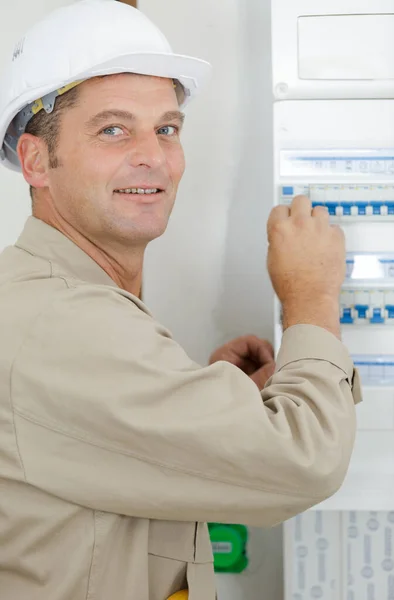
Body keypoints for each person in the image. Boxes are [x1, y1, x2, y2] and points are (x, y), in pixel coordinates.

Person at [0, 1, 360, 599]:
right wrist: (313, 299)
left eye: (166, 128)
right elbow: (302, 462)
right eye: (113, 129)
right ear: (38, 160)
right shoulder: (62, 322)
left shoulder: (61, 301)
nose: (153, 155)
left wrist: (207, 402)